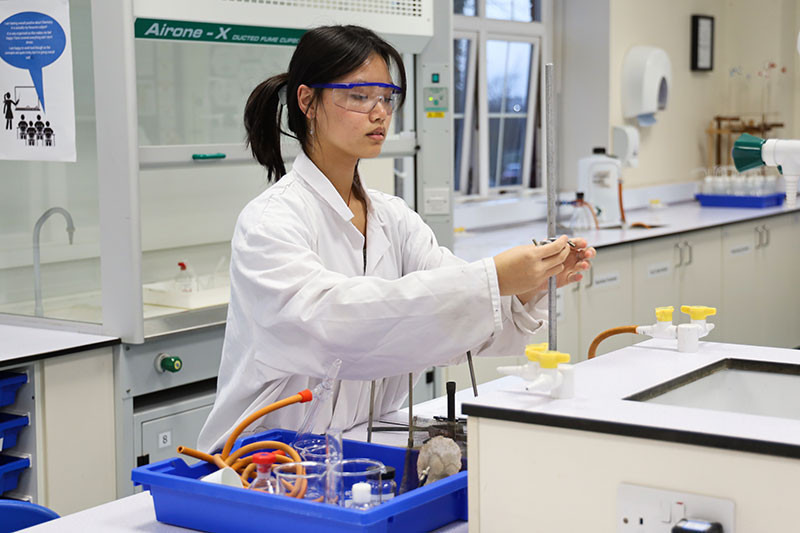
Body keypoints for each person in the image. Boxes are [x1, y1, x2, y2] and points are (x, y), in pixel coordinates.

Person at [197, 25, 595, 453]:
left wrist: (523, 287)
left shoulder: (392, 217)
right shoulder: (271, 220)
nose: (380, 112)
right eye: (359, 95)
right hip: (264, 462)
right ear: (307, 101)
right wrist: (492, 279)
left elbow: (460, 313)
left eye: (387, 97)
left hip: (361, 450)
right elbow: (332, 327)